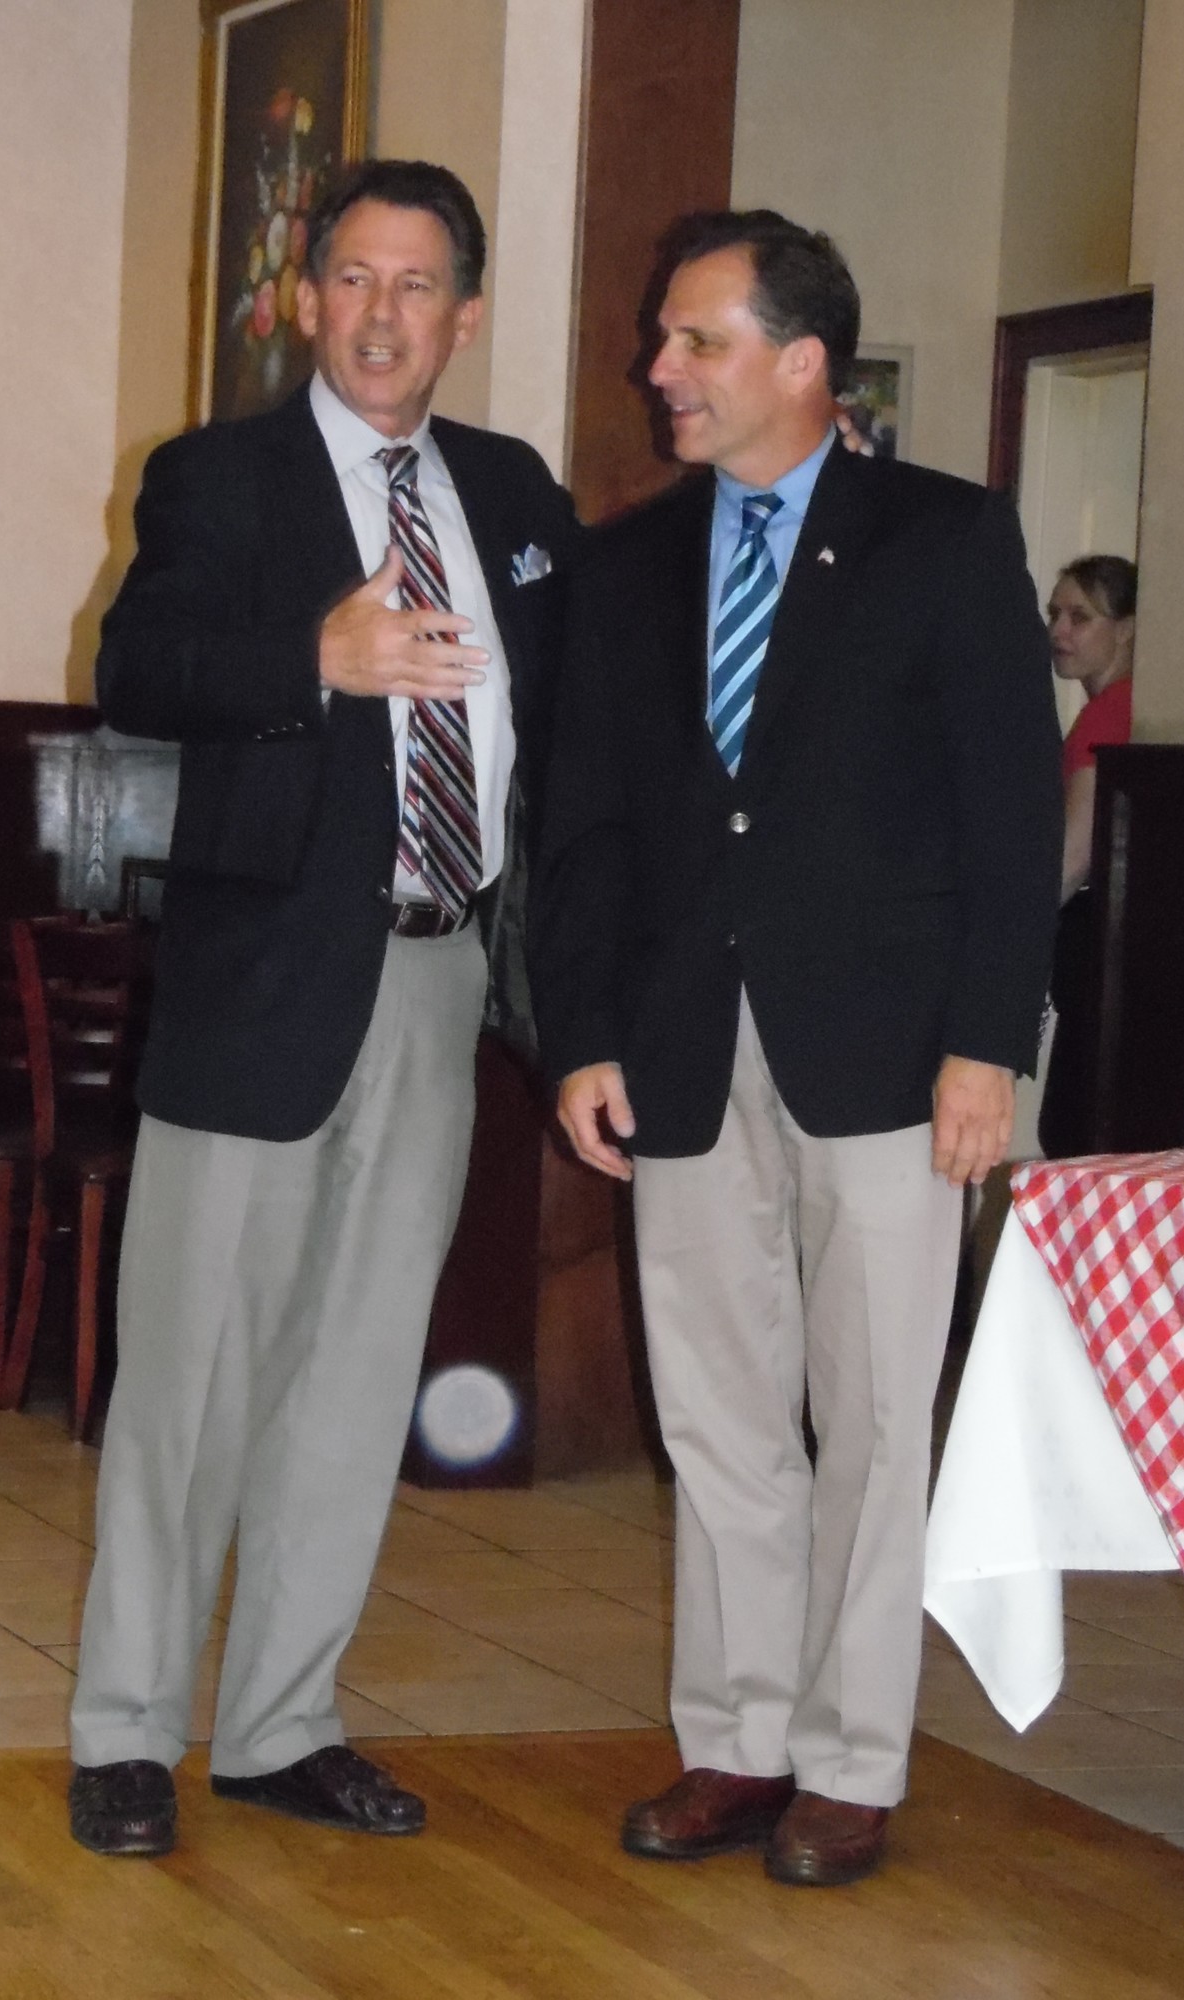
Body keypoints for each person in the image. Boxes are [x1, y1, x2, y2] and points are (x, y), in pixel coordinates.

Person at [531, 208, 1061, 1887]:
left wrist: (990, 1044)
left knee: (876, 1414)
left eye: (694, 341)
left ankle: (851, 1759)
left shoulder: (947, 537)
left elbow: (1009, 807)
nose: (659, 370)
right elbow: (589, 827)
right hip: (684, 1050)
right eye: (665, 342)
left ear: (802, 361)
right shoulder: (627, 565)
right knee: (721, 1420)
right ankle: (738, 1744)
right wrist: (582, 1034)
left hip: (895, 1058)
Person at [68, 158, 576, 1858]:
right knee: (190, 1380)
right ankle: (128, 1731)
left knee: (358, 1377)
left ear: (466, 315)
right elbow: (134, 669)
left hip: (438, 987)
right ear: (302, 298)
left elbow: (589, 700)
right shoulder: (219, 477)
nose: (378, 314)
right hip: (261, 986)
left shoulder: (513, 492)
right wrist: (317, 660)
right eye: (350, 278)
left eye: (416, 284)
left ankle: (284, 1723)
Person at [1038, 554, 1136, 1158]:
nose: (1059, 631)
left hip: (1099, 956)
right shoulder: (1112, 710)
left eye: (1081, 616)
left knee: (1076, 1131)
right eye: (1055, 614)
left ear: (1126, 629)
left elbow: (1071, 859)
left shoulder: (1111, 713)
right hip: (1108, 957)